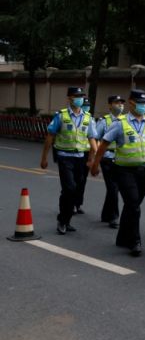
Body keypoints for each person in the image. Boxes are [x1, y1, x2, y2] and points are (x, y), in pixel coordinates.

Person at [91, 90, 145, 257]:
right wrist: (95, 164)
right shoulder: (119, 123)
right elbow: (103, 144)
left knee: (133, 205)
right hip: (124, 171)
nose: (144, 106)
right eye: (140, 103)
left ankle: (122, 237)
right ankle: (135, 241)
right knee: (133, 205)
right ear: (131, 103)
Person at [40, 86, 97, 234]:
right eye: (76, 96)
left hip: (81, 158)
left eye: (81, 96)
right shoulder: (61, 116)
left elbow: (92, 138)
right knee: (69, 188)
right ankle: (62, 220)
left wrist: (94, 158)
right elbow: (50, 136)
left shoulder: (88, 117)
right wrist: (44, 158)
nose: (79, 99)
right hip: (65, 157)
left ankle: (67, 220)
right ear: (69, 98)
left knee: (75, 190)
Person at [95, 95, 126, 228]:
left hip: (121, 158)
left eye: (121, 103)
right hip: (107, 157)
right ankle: (113, 217)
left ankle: (106, 214)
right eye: (116, 103)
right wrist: (95, 159)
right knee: (113, 187)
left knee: (114, 188)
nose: (120, 105)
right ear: (110, 105)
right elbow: (95, 138)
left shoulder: (125, 120)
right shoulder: (104, 121)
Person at [73, 101, 94, 215]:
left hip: (86, 153)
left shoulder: (90, 119)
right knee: (73, 180)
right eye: (84, 106)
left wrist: (92, 158)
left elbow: (94, 138)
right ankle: (71, 203)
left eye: (88, 106)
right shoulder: (72, 118)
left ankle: (78, 204)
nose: (87, 107)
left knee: (82, 180)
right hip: (75, 152)